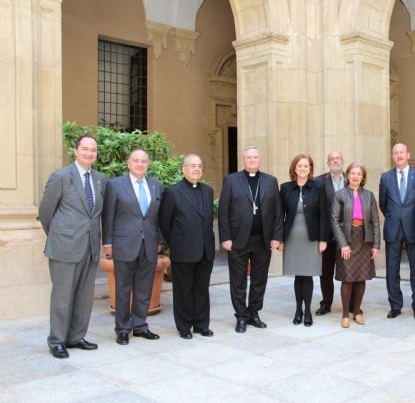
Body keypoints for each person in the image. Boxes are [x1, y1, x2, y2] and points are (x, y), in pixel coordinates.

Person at [38, 135, 106, 359]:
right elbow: (46, 213)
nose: (89, 153)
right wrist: (60, 235)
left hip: (90, 246)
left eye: (93, 150)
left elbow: (96, 213)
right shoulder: (60, 176)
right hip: (64, 246)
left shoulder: (99, 179)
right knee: (62, 295)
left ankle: (76, 336)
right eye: (85, 149)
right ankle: (57, 340)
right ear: (75, 151)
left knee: (84, 295)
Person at [218, 146, 283, 333]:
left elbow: (278, 212)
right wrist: (225, 236)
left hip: (262, 239)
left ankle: (254, 313)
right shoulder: (231, 180)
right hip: (238, 239)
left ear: (259, 160)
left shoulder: (270, 181)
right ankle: (241, 316)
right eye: (249, 157)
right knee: (238, 280)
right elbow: (223, 210)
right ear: (243, 160)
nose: (252, 160)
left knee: (259, 279)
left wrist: (276, 237)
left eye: (255, 157)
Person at [102, 149, 163, 345]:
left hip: (149, 245)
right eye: (135, 161)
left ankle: (140, 325)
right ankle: (122, 329)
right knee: (122, 289)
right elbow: (108, 215)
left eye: (143, 161)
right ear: (128, 163)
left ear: (148, 163)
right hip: (124, 244)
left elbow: (158, 218)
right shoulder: (115, 185)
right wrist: (108, 242)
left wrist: (159, 241)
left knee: (144, 288)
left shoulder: (156, 186)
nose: (140, 164)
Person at [159, 154, 216, 339]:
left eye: (200, 166)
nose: (196, 169)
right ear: (183, 169)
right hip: (183, 249)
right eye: (192, 166)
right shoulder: (173, 192)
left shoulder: (208, 191)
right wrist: (175, 242)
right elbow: (165, 222)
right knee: (183, 290)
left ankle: (201, 324)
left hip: (205, 250)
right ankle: (184, 327)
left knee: (202, 289)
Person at [378, 143, 415, 319]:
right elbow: (383, 204)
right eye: (395, 153)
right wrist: (395, 217)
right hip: (393, 228)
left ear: (408, 154)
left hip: (414, 227)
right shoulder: (385, 178)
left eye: (402, 152)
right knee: (392, 269)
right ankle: (395, 305)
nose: (399, 156)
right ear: (392, 156)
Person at [279, 154, 328, 327]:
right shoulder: (285, 188)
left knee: (307, 275)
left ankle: (307, 311)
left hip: (311, 238)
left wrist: (323, 239)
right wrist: (280, 239)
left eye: (306, 166)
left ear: (310, 169)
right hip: (292, 238)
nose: (302, 169)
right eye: (299, 166)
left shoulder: (318, 187)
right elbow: (279, 216)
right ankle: (297, 310)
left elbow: (324, 215)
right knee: (297, 276)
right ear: (294, 168)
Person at [330, 162, 380, 328]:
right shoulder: (340, 195)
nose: (355, 176)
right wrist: (343, 244)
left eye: (359, 173)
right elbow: (335, 221)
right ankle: (345, 314)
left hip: (365, 241)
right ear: (347, 175)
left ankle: (357, 311)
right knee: (348, 278)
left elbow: (375, 221)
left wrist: (376, 245)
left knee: (361, 278)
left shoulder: (369, 196)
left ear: (363, 177)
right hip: (348, 240)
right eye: (353, 173)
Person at [314, 150, 356, 316]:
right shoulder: (319, 181)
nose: (335, 161)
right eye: (332, 159)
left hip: (349, 235)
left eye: (338, 158)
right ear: (328, 162)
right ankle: (326, 303)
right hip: (328, 235)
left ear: (343, 160)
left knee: (350, 270)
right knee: (326, 272)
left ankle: (353, 303)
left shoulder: (352, 178)